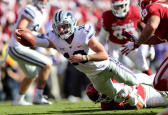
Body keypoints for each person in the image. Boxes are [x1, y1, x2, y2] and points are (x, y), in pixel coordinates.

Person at [15, 10, 153, 107]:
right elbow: (35, 39)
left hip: (108, 65)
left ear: (72, 24)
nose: (62, 30)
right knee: (116, 96)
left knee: (133, 80)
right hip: (94, 75)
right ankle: (135, 98)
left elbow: (103, 54)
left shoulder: (83, 32)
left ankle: (154, 81)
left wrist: (84, 57)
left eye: (64, 26)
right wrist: (22, 34)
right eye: (59, 27)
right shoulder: (54, 38)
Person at [120, 0, 168, 115]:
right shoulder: (167, 8)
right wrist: (137, 41)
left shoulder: (153, 7)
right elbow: (159, 38)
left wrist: (138, 43)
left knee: (159, 81)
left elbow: (151, 26)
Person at [9, 0, 52, 105]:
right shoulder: (30, 9)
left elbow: (42, 31)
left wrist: (49, 49)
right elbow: (20, 30)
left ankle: (18, 99)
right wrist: (35, 37)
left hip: (22, 48)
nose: (45, 1)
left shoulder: (42, 12)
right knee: (47, 64)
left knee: (32, 74)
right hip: (17, 47)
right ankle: (38, 96)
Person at [98, 0, 153, 76]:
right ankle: (115, 84)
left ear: (127, 4)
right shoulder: (107, 16)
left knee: (142, 65)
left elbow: (144, 30)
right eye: (117, 6)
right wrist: (98, 50)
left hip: (129, 44)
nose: (119, 9)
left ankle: (153, 84)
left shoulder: (135, 12)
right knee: (113, 67)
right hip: (114, 45)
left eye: (121, 6)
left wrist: (151, 47)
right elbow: (102, 37)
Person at [86, 79, 168, 110]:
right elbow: (140, 105)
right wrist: (128, 96)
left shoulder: (109, 79)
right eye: (103, 94)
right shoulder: (109, 105)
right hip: (147, 97)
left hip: (141, 82)